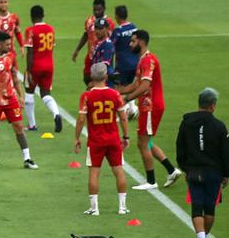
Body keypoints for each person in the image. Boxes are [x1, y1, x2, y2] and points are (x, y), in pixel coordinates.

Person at [118, 30, 182, 189]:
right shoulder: (143, 60)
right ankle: (171, 170)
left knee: (143, 143)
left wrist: (127, 99)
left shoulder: (147, 60)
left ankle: (151, 181)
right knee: (147, 141)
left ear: (140, 42)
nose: (130, 44)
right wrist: (119, 92)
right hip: (149, 105)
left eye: (132, 41)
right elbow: (136, 84)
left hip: (150, 106)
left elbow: (145, 86)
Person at [175, 88, 229, 238]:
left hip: (194, 170)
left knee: (197, 205)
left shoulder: (186, 122)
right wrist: (226, 172)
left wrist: (185, 168)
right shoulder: (219, 126)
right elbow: (225, 152)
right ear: (213, 106)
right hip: (214, 172)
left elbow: (180, 147)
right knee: (209, 208)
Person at [0, 31, 38, 170]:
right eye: (8, 44)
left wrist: (21, 96)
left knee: (19, 128)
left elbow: (15, 78)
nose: (10, 46)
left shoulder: (11, 57)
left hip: (10, 99)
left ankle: (27, 158)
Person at [73, 62, 130, 216]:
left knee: (94, 173)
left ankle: (94, 208)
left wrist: (77, 138)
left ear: (91, 76)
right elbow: (123, 118)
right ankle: (122, 207)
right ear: (106, 76)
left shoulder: (87, 96)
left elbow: (80, 120)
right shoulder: (115, 94)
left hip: (96, 141)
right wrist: (125, 136)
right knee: (119, 171)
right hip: (113, 139)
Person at [22, 5, 61, 132]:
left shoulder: (30, 31)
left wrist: (29, 70)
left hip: (36, 65)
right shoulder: (50, 29)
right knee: (46, 94)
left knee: (29, 93)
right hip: (49, 65)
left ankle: (32, 125)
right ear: (43, 15)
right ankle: (56, 114)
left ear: (31, 16)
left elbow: (30, 52)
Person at [72, 0, 114, 85]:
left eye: (99, 9)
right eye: (94, 10)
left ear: (104, 9)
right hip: (91, 55)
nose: (96, 12)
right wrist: (77, 50)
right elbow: (86, 34)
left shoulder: (109, 23)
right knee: (87, 78)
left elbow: (111, 40)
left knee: (101, 78)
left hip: (102, 56)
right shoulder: (89, 21)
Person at [110, 5, 139, 86]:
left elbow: (110, 47)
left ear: (117, 16)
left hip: (123, 66)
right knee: (131, 87)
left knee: (120, 89)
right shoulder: (134, 28)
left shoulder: (118, 31)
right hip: (135, 64)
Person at [88, 18, 115, 85]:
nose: (97, 31)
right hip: (98, 80)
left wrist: (94, 83)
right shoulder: (98, 43)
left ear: (107, 29)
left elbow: (104, 66)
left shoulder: (107, 44)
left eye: (100, 29)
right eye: (96, 28)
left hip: (104, 82)